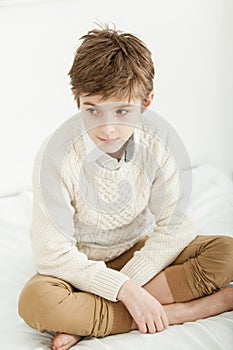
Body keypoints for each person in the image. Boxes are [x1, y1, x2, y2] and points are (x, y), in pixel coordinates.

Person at [18, 25, 233, 350]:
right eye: (92, 110)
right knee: (36, 302)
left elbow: (176, 228)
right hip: (76, 268)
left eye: (122, 111)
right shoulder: (57, 154)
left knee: (225, 253)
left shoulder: (157, 141)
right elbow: (54, 255)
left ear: (146, 103)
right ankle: (181, 312)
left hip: (136, 252)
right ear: (77, 101)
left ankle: (92, 320)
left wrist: (127, 280)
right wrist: (127, 293)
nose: (107, 129)